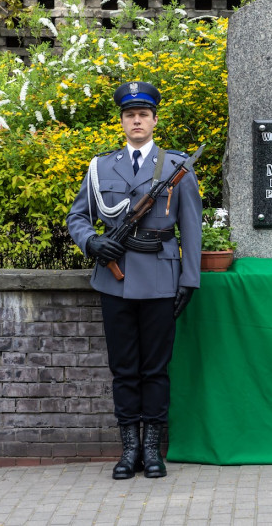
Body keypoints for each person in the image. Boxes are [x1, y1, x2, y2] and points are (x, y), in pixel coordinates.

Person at [66, 81, 202, 480]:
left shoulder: (177, 168)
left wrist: (189, 280)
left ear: (154, 120)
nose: (136, 121)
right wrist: (92, 242)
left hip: (161, 279)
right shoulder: (101, 167)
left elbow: (191, 229)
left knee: (155, 370)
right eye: (130, 115)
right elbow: (77, 217)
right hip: (114, 280)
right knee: (124, 369)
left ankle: (153, 452)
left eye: (143, 114)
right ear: (122, 121)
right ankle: (129, 450)